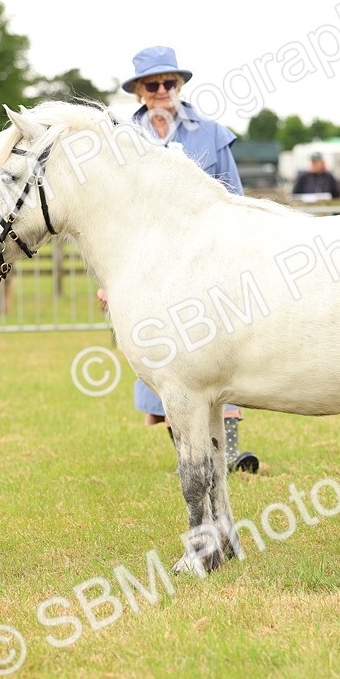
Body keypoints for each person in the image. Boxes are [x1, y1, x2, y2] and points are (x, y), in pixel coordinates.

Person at [103, 45, 258, 473]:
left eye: (171, 83)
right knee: (166, 364)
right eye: (153, 85)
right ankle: (192, 455)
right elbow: (112, 216)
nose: (163, 91)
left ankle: (227, 454)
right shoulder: (121, 140)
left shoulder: (209, 133)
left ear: (181, 85)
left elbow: (235, 197)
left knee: (215, 359)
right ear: (139, 91)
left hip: (209, 265)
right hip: (147, 272)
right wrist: (108, 281)